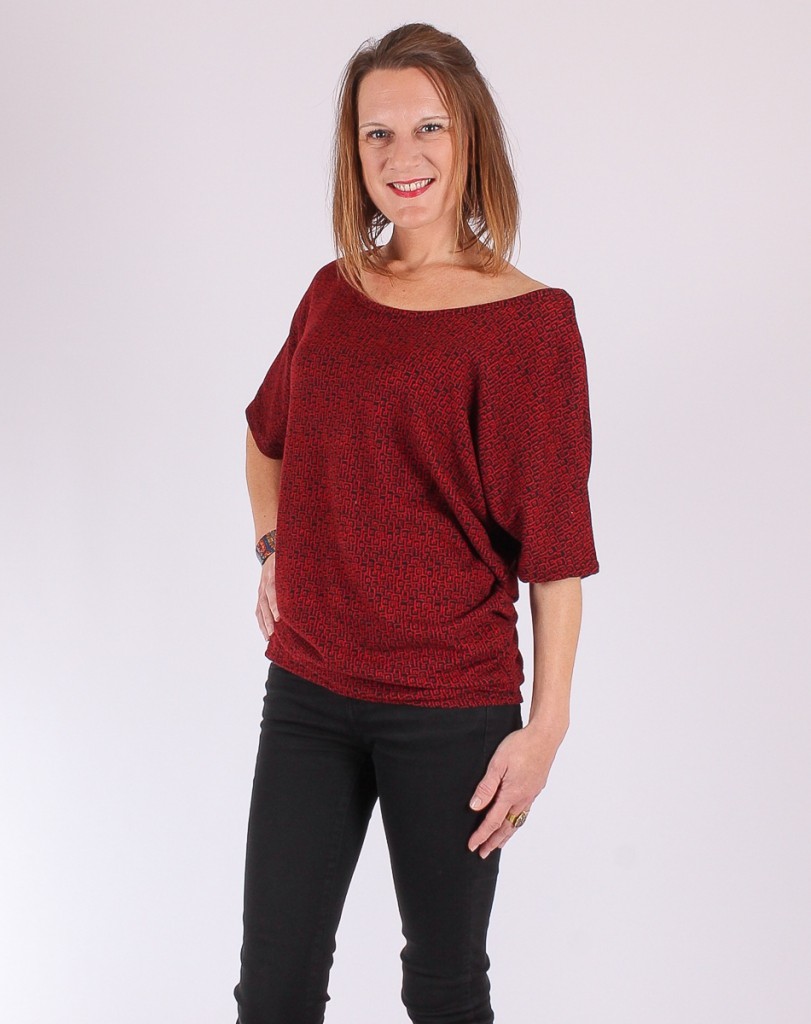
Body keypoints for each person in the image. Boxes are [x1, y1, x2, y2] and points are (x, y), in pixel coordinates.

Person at [234, 21, 600, 1024]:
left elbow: (555, 552)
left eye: (428, 126)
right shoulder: (333, 292)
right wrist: (273, 547)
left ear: (469, 136)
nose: (404, 155)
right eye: (378, 133)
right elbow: (266, 437)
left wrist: (546, 728)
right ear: (354, 152)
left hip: (450, 707)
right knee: (272, 989)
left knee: (443, 989)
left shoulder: (528, 323)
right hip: (307, 691)